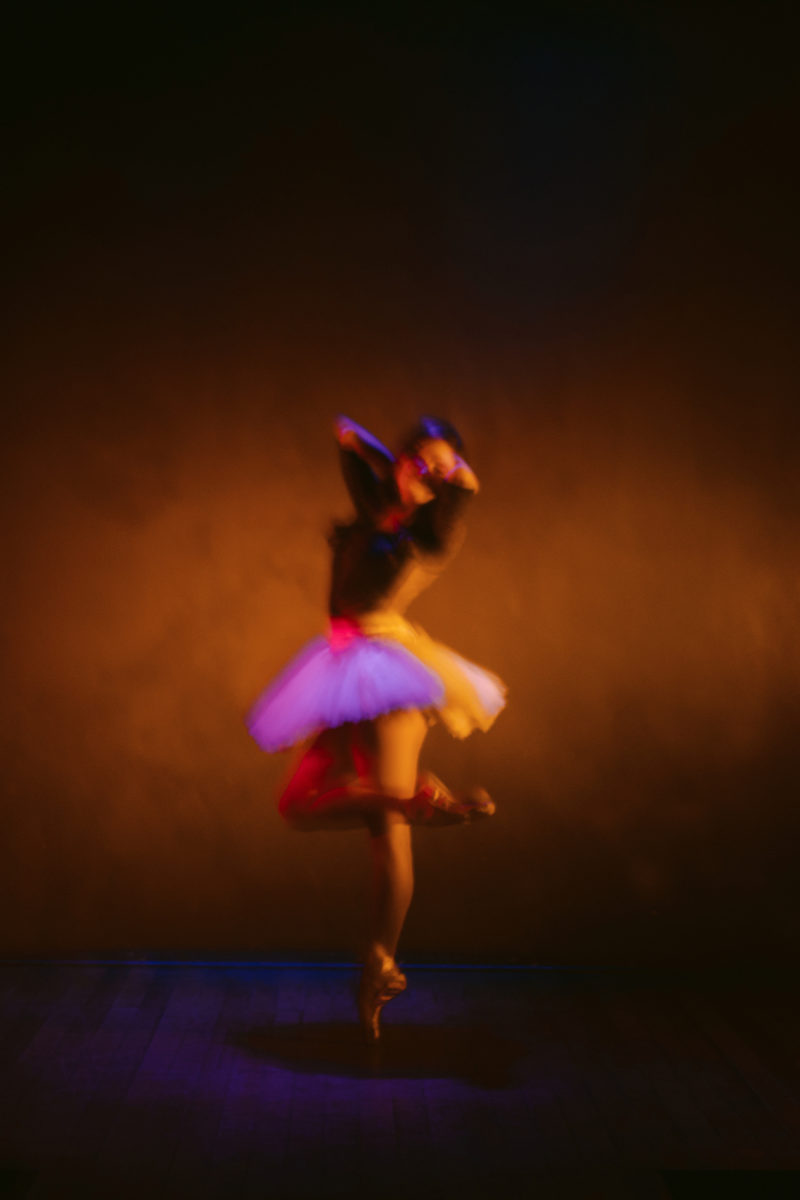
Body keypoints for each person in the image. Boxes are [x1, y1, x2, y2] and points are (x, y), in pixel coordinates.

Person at [247, 415, 506, 1039]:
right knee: (299, 804)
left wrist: (453, 476)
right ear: (400, 458)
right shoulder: (373, 502)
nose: (426, 474)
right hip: (344, 665)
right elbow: (347, 438)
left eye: (437, 470)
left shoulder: (430, 533)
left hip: (386, 672)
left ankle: (379, 965)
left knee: (386, 835)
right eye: (419, 459)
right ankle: (414, 797)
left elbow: (460, 492)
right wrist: (384, 450)